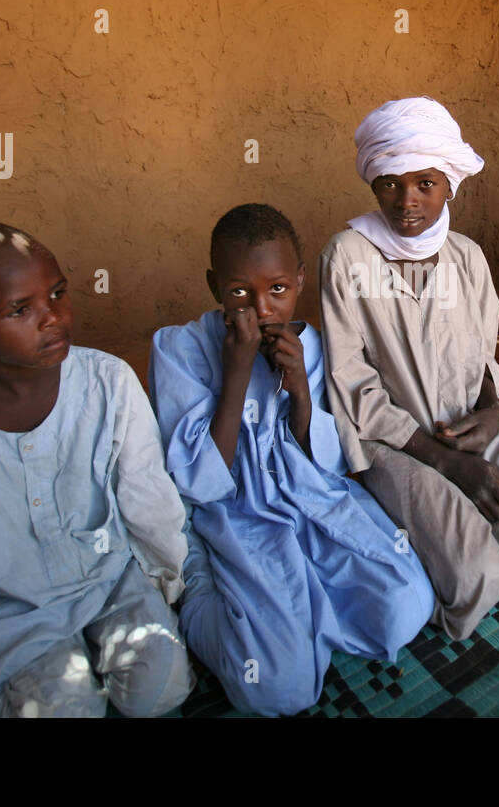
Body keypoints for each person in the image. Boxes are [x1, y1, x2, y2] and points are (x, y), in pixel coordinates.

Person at [0, 220, 193, 718]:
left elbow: (146, 495)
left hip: (108, 577)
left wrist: (164, 585)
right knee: (68, 710)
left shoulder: (108, 381)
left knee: (160, 689)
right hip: (11, 603)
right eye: (20, 309)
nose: (52, 318)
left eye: (57, 294)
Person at [319, 97, 499, 641]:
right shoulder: (348, 255)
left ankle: (468, 528)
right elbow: (352, 382)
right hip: (397, 442)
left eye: (425, 183)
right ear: (373, 183)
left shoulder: (466, 257)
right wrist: (440, 460)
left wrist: (491, 417)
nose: (407, 201)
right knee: (476, 577)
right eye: (390, 183)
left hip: (472, 424)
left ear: (450, 185)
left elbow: (483, 357)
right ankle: (437, 540)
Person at [150, 204, 433, 716]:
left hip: (310, 502)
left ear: (300, 280)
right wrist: (235, 374)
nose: (262, 309)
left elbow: (325, 468)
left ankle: (304, 605)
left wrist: (301, 391)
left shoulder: (313, 346)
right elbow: (198, 482)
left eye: (277, 289)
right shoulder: (180, 349)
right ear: (215, 285)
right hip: (233, 518)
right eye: (240, 292)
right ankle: (201, 597)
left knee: (407, 606)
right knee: (278, 689)